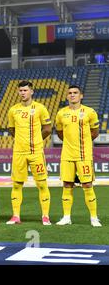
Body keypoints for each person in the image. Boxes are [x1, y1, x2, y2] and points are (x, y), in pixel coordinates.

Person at [6, 81, 52, 225]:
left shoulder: (40, 108)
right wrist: (21, 140)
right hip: (19, 152)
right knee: (16, 184)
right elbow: (11, 129)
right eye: (20, 90)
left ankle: (45, 216)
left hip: (36, 152)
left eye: (25, 90)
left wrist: (36, 140)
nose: (22, 93)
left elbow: (47, 129)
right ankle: (16, 216)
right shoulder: (13, 110)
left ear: (31, 92)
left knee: (42, 184)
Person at [55, 85, 101, 227]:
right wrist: (70, 144)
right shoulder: (61, 113)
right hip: (67, 154)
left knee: (87, 184)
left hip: (84, 155)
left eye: (75, 93)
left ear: (81, 96)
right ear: (67, 96)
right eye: (70, 93)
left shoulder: (89, 112)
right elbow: (60, 133)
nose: (72, 95)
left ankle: (94, 218)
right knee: (67, 184)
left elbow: (95, 132)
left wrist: (83, 143)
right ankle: (66, 217)